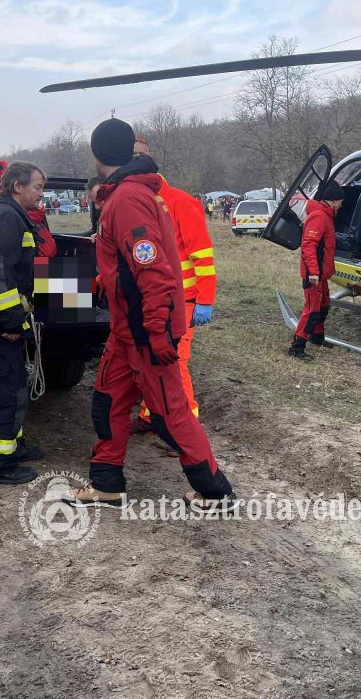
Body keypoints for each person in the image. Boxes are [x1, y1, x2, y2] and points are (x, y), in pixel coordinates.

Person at [64, 118, 235, 510]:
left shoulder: (126, 200)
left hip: (145, 331)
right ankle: (107, 483)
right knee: (107, 399)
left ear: (95, 154)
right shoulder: (127, 196)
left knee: (169, 413)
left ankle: (214, 491)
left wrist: (158, 335)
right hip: (129, 331)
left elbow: (154, 273)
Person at [129, 137, 216, 440]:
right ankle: (150, 414)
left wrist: (205, 299)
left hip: (184, 301)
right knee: (150, 361)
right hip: (152, 298)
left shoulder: (181, 202)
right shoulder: (138, 202)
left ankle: (184, 429)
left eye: (138, 155)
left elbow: (202, 257)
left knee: (176, 366)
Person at [0, 161, 46, 485]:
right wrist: (12, 322)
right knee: (3, 392)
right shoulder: (6, 218)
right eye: (38, 187)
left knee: (13, 388)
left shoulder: (7, 214)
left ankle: (12, 448)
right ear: (18, 186)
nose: (41, 194)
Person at [288, 182, 345, 361]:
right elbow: (308, 246)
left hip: (321, 274)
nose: (342, 204)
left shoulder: (327, 215)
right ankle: (297, 347)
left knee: (324, 305)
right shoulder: (319, 217)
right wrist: (313, 272)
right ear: (334, 201)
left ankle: (317, 337)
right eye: (340, 201)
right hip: (314, 275)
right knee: (312, 309)